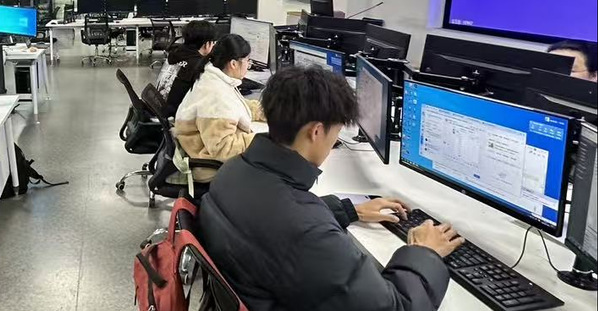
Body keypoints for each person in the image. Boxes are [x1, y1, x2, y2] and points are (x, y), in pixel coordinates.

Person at [199, 66, 462, 311]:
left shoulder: (232, 170)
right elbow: (395, 307)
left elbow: (271, 218)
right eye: (336, 132)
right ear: (316, 132)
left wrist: (348, 210)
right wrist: (424, 253)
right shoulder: (305, 231)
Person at [173, 34, 265, 183]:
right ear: (233, 64)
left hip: (204, 150)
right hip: (209, 166)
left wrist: (269, 112)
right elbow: (223, 148)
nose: (249, 65)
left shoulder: (214, 78)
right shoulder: (215, 94)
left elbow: (234, 106)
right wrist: (263, 140)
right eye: (248, 61)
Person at [157, 20, 218, 116]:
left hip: (162, 106)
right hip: (178, 115)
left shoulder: (174, 53)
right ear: (207, 44)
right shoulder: (200, 66)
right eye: (213, 42)